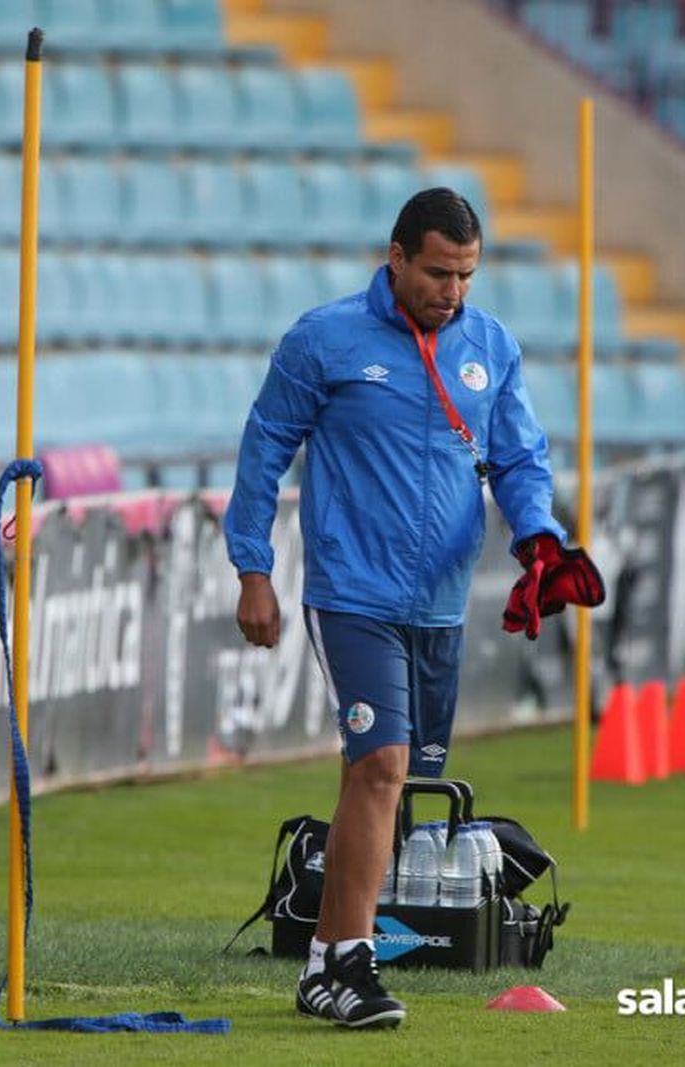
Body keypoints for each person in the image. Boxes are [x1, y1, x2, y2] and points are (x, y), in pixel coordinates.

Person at [226, 188, 601, 1029]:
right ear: (396, 256)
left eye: (467, 274)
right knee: (383, 766)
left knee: (392, 777)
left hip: (439, 602)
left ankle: (324, 960)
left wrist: (539, 536)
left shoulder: (491, 346)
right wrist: (252, 566)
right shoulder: (324, 340)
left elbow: (521, 458)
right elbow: (262, 451)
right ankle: (348, 966)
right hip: (352, 593)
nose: (453, 291)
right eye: (438, 271)